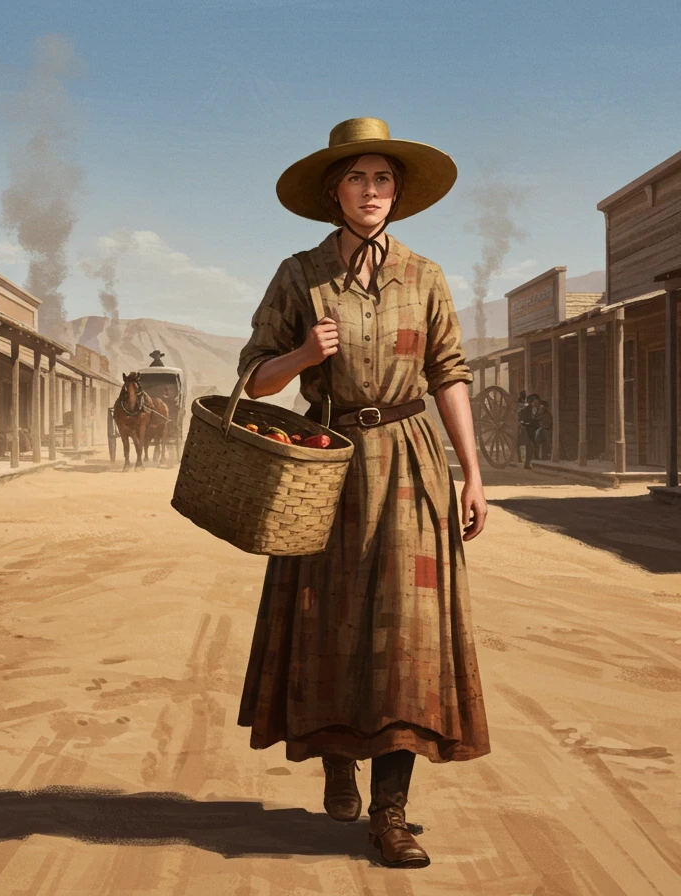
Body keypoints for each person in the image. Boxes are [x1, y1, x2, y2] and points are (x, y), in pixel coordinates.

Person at [236, 118, 490, 868]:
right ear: (333, 192)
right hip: (329, 462)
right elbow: (253, 379)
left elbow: (449, 373)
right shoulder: (298, 274)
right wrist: (303, 354)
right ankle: (336, 757)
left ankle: (392, 812)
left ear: (398, 193)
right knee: (330, 623)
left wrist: (473, 473)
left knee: (408, 635)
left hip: (413, 464)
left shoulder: (426, 275)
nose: (371, 192)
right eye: (357, 178)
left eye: (383, 179)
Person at [517, 392, 540, 469]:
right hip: (525, 430)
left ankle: (530, 462)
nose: (535, 404)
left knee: (532, 446)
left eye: (536, 403)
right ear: (530, 402)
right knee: (528, 446)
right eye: (534, 402)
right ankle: (526, 463)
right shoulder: (524, 410)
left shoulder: (536, 410)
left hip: (533, 430)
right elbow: (521, 420)